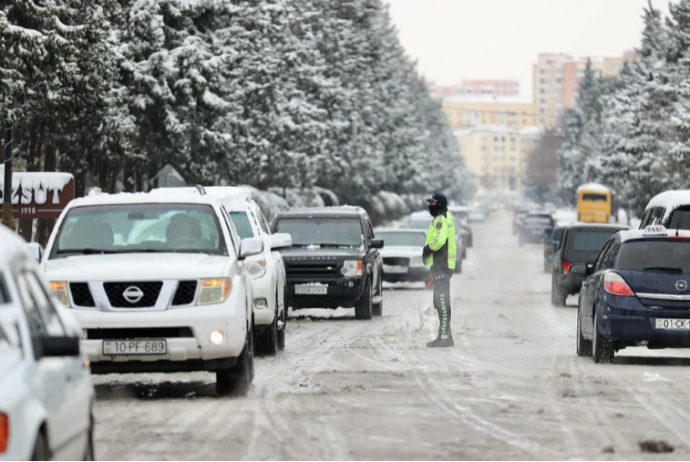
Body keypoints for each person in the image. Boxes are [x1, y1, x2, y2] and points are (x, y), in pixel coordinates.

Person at [422, 192, 457, 348]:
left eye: (433, 204)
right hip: (440, 265)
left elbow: (439, 240)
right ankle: (444, 335)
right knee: (439, 301)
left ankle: (445, 337)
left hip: (442, 265)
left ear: (440, 205)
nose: (430, 206)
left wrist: (428, 249)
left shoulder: (441, 220)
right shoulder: (442, 217)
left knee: (442, 302)